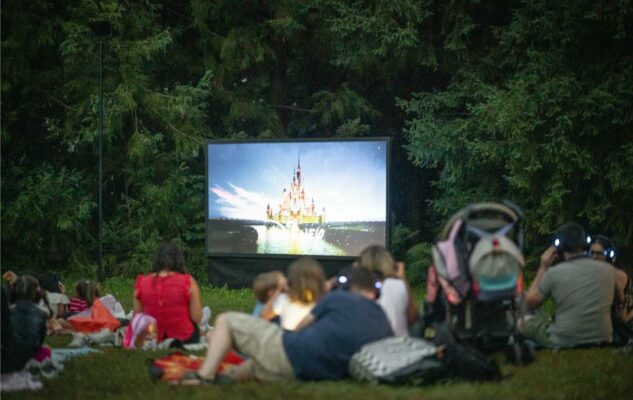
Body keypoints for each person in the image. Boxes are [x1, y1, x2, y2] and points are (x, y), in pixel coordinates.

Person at [189, 266, 393, 384]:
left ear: (347, 286)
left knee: (226, 320)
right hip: (315, 373)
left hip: (294, 353)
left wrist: (329, 289)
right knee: (255, 365)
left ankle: (204, 377)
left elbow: (300, 328)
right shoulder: (382, 319)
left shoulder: (337, 298)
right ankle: (229, 378)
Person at [524, 222, 618, 348]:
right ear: (586, 244)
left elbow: (528, 303)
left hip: (564, 339)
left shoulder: (554, 273)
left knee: (522, 321)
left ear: (560, 247)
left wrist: (543, 267)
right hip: (602, 338)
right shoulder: (609, 271)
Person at [133, 241, 203, 344]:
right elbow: (196, 317)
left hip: (151, 338)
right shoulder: (188, 281)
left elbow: (137, 316)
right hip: (184, 338)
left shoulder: (141, 282)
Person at [357, 245, 418, 337]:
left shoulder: (356, 289)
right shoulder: (398, 285)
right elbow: (412, 318)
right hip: (399, 346)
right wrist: (403, 279)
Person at [260, 258, 325, 330]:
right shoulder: (326, 300)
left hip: (290, 339)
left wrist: (279, 288)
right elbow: (263, 316)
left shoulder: (284, 299)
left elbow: (263, 316)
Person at [589, 234, 632, 343]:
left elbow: (622, 317)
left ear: (608, 256)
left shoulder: (617, 275)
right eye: (592, 253)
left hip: (625, 324)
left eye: (599, 254)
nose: (594, 257)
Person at [1, 275, 48, 373]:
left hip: (5, 361)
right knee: (46, 349)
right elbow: (38, 343)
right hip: (21, 363)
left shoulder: (9, 311)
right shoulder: (42, 314)